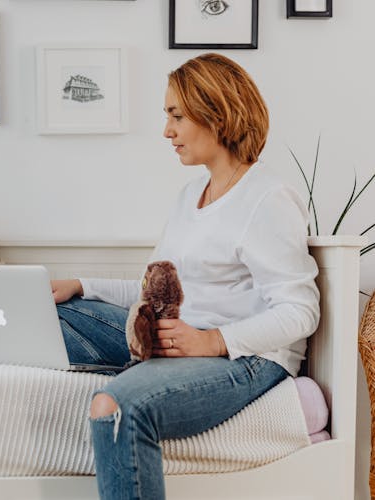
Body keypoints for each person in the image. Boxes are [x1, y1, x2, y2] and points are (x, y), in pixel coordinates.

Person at [51, 53, 320, 500]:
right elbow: (159, 289)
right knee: (57, 314)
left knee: (115, 407)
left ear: (217, 113)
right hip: (180, 339)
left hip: (245, 360)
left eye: (176, 116)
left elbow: (300, 310)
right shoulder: (190, 194)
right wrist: (83, 286)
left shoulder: (267, 198)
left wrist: (212, 340)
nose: (167, 131)